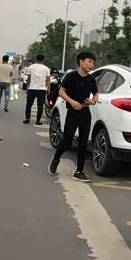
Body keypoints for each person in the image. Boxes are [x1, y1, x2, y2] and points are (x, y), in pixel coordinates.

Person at [48, 52, 99, 182]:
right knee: (67, 141)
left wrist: (93, 101)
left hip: (85, 113)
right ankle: (56, 159)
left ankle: (79, 171)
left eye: (93, 63)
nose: (91, 65)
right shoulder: (71, 76)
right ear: (81, 62)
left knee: (83, 142)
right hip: (73, 112)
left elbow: (96, 93)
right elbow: (61, 91)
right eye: (89, 62)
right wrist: (72, 102)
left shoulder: (91, 79)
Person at [22, 55, 50, 126]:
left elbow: (28, 77)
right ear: (43, 60)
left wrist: (28, 87)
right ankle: (38, 121)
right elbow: (48, 80)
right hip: (41, 90)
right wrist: (48, 88)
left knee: (29, 105)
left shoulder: (31, 67)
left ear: (36, 59)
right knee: (40, 106)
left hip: (32, 89)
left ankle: (27, 119)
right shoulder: (46, 68)